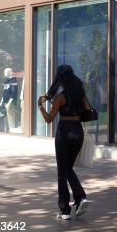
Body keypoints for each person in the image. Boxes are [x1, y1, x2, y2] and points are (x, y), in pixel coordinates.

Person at [38, 64, 91, 220]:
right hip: (78, 131)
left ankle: (65, 209)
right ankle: (80, 198)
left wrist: (40, 106)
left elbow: (49, 119)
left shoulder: (60, 97)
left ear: (59, 77)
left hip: (65, 131)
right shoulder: (80, 94)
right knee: (67, 168)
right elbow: (88, 111)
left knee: (63, 171)